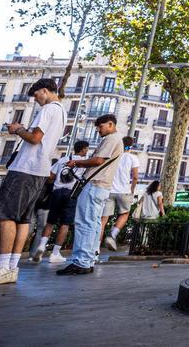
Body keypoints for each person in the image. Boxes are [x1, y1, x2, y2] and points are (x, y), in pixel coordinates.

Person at [0, 78, 65, 287]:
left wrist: (17, 129)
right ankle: (12, 267)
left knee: (6, 216)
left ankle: (3, 266)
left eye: (37, 95)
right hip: (39, 172)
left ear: (45, 90)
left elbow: (35, 138)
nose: (36, 100)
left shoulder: (49, 109)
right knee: (24, 219)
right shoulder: (61, 112)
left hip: (25, 169)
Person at [57, 115, 124, 275]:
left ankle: (81, 262)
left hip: (94, 185)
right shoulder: (116, 139)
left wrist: (77, 162)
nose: (98, 130)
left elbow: (98, 161)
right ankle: (88, 258)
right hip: (100, 187)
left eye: (100, 126)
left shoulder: (111, 138)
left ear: (110, 124)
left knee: (84, 223)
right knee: (93, 224)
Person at [30, 140, 89, 263]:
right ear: (83, 149)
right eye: (86, 149)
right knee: (65, 224)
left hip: (57, 193)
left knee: (51, 222)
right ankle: (55, 253)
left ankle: (41, 246)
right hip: (71, 194)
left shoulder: (63, 159)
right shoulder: (83, 163)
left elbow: (50, 176)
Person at [102, 136, 139, 251]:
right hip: (124, 191)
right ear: (131, 146)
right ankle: (113, 234)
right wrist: (132, 190)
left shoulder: (114, 156)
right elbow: (135, 177)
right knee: (124, 214)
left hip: (109, 190)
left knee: (103, 220)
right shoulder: (133, 158)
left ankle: (95, 251)